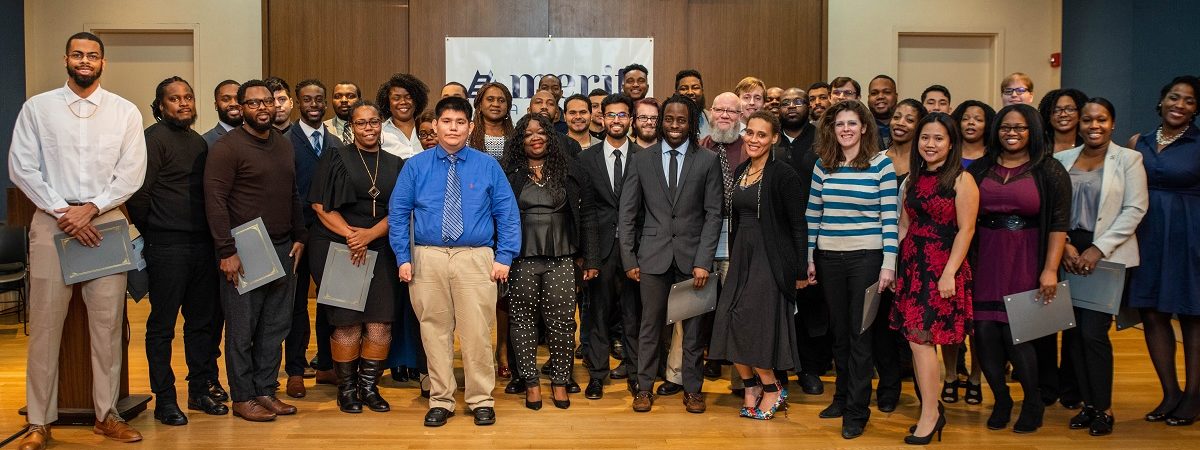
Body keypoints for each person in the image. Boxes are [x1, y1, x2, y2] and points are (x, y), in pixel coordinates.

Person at [9, 32, 148, 448]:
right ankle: (38, 422)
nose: (85, 60)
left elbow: (132, 172)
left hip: (105, 224)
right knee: (46, 327)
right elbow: (22, 167)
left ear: (103, 63)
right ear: (66, 59)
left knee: (107, 326)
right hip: (52, 224)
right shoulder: (38, 108)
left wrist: (92, 208)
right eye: (77, 54)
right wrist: (63, 211)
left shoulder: (124, 111)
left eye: (92, 55)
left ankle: (106, 415)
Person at [388, 96, 521, 427]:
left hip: (475, 258)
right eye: (446, 121)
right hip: (427, 257)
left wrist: (504, 256)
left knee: (477, 332)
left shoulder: (487, 165)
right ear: (435, 126)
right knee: (433, 331)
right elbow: (399, 213)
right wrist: (403, 257)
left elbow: (507, 213)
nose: (453, 128)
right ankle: (441, 398)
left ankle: (480, 399)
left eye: (460, 122)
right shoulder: (415, 167)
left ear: (470, 127)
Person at [204, 79, 307, 422]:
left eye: (267, 102)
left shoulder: (282, 144)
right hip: (244, 250)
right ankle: (243, 396)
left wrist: (300, 235)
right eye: (254, 103)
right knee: (242, 329)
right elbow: (215, 202)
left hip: (281, 246)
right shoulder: (227, 147)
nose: (263, 108)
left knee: (275, 327)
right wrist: (226, 250)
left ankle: (265, 390)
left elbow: (292, 193)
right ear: (241, 108)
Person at [127, 76, 228, 426]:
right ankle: (165, 399)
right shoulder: (152, 141)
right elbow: (138, 195)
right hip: (167, 247)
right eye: (174, 99)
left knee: (202, 324)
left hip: (202, 246)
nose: (183, 103)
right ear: (160, 106)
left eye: (188, 97)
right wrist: (157, 229)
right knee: (162, 327)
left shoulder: (198, 142)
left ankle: (199, 390)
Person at [965, 103, 1070, 434]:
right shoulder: (979, 168)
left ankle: (1032, 401)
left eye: (1020, 128)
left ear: (1033, 131)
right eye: (1005, 127)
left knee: (1018, 336)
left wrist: (1050, 270)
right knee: (983, 335)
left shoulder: (1049, 170)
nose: (1011, 133)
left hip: (1027, 258)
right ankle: (1001, 399)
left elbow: (1058, 224)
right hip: (985, 259)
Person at [619, 94, 723, 414]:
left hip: (693, 261)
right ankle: (645, 388)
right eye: (669, 119)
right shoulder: (642, 159)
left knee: (692, 330)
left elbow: (713, 214)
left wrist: (704, 260)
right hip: (652, 258)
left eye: (681, 120)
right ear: (661, 122)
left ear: (691, 124)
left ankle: (692, 389)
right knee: (649, 326)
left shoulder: (706, 160)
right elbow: (627, 213)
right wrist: (629, 258)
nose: (674, 126)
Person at [1055, 97, 1148, 436]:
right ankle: (1087, 405)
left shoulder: (1129, 159)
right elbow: (1054, 207)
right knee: (1074, 332)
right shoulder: (1061, 159)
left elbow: (1135, 209)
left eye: (1102, 120)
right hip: (1066, 252)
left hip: (1106, 257)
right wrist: (1063, 243)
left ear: (1112, 124)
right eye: (1088, 120)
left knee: (1094, 333)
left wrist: (1097, 249)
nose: (1094, 125)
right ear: (1078, 124)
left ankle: (1104, 408)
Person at [805, 100, 897, 440]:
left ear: (864, 128)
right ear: (832, 129)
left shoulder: (881, 166)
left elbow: (890, 219)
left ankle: (858, 411)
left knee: (861, 336)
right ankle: (842, 398)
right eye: (839, 123)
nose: (845, 129)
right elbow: (812, 215)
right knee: (840, 334)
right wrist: (809, 257)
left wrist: (889, 263)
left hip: (867, 260)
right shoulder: (822, 166)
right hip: (829, 258)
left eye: (852, 123)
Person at [709, 110, 809, 420]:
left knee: (757, 325)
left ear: (774, 138)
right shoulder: (740, 171)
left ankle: (772, 387)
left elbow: (798, 225)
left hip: (770, 258)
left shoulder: (784, 174)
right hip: (741, 255)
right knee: (728, 318)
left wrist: (800, 270)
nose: (753, 139)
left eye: (761, 134)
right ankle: (750, 385)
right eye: (749, 133)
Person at [308, 102, 404, 414]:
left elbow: (400, 211)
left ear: (381, 124)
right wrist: (353, 235)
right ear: (352, 126)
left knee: (379, 324)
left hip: (380, 246)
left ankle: (369, 387)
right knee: (347, 324)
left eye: (373, 122)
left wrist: (369, 235)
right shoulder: (336, 156)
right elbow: (320, 206)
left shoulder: (396, 164)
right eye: (361, 123)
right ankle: (347, 390)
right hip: (341, 247)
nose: (368, 128)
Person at [501, 113, 599, 410]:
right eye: (528, 133)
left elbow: (588, 215)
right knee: (522, 320)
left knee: (562, 322)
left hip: (562, 257)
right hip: (521, 259)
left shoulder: (570, 170)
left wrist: (591, 256)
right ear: (520, 140)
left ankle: (559, 381)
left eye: (541, 131)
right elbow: (499, 216)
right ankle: (530, 382)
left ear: (551, 137)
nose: (535, 136)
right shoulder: (509, 172)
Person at [891, 112, 979, 444]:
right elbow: (905, 225)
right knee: (917, 342)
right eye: (925, 138)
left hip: (943, 266)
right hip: (914, 266)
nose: (930, 144)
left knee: (922, 341)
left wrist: (950, 273)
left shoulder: (961, 179)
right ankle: (931, 409)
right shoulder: (914, 178)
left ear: (952, 143)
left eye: (939, 138)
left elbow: (967, 230)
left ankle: (930, 413)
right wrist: (895, 265)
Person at [1127, 75, 1200, 426]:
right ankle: (1170, 392)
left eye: (1188, 100)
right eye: (1174, 97)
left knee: (1191, 316)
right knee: (1152, 313)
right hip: (1147, 237)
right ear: (1161, 101)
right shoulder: (1137, 142)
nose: (1179, 105)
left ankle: (1194, 395)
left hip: (1189, 238)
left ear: (1195, 109)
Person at [580, 93, 643, 399]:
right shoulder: (587, 159)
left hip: (637, 250)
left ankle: (634, 373)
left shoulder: (645, 157)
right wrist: (589, 257)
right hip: (600, 250)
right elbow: (586, 211)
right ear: (601, 118)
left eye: (622, 115)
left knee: (634, 314)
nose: (617, 120)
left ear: (630, 119)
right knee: (598, 314)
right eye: (611, 115)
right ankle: (597, 374)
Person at [282, 79, 342, 399]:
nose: (315, 104)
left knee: (329, 300)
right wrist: (296, 231)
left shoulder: (335, 144)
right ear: (297, 102)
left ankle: (326, 366)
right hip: (295, 234)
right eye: (308, 99)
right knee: (294, 303)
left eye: (319, 99)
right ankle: (294, 370)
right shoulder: (284, 141)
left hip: (328, 234)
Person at [1032, 88, 1090, 409]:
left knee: (1077, 322)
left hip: (1083, 245)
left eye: (1070, 109)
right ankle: (1046, 384)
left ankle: (1072, 386)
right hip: (1046, 239)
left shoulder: (1094, 150)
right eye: (1057, 109)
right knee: (1045, 317)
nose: (1063, 114)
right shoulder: (1039, 151)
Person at [875, 98, 928, 413]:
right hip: (879, 252)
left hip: (916, 254)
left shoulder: (925, 163)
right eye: (897, 116)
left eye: (910, 119)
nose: (900, 122)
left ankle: (926, 395)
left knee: (913, 325)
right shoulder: (876, 159)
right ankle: (888, 386)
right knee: (881, 324)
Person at [777, 86, 830, 396]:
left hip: (814, 233)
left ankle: (810, 369)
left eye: (799, 101)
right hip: (778, 233)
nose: (792, 107)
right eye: (786, 102)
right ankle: (780, 370)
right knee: (779, 305)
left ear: (809, 105)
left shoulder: (822, 139)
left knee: (812, 305)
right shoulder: (771, 139)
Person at [376, 73, 429, 159]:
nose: (403, 102)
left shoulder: (427, 129)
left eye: (409, 97)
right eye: (396, 98)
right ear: (387, 102)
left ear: (417, 101)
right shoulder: (380, 132)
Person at [467, 81, 514, 160]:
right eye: (490, 99)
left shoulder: (516, 134)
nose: (496, 104)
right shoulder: (468, 133)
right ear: (480, 105)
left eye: (501, 100)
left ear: (508, 107)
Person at [1039, 88, 1088, 153]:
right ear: (1048, 115)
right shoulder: (1038, 146)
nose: (1063, 114)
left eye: (1070, 109)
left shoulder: (1088, 145)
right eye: (1056, 110)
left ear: (1080, 113)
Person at [952, 100, 996, 169]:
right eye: (965, 119)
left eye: (978, 120)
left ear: (988, 125)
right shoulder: (949, 153)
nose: (971, 122)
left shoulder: (995, 157)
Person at [203, 79, 241, 147]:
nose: (234, 103)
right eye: (226, 99)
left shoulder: (256, 135)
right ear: (216, 105)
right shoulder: (205, 141)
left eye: (238, 99)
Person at [675, 69, 709, 139]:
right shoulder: (667, 121)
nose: (690, 92)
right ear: (676, 93)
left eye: (695, 88)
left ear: (702, 91)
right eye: (684, 89)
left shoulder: (712, 119)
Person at [868, 75, 899, 149]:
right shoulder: (860, 127)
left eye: (887, 92)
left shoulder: (909, 127)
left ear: (896, 96)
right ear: (868, 98)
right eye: (874, 93)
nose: (880, 96)